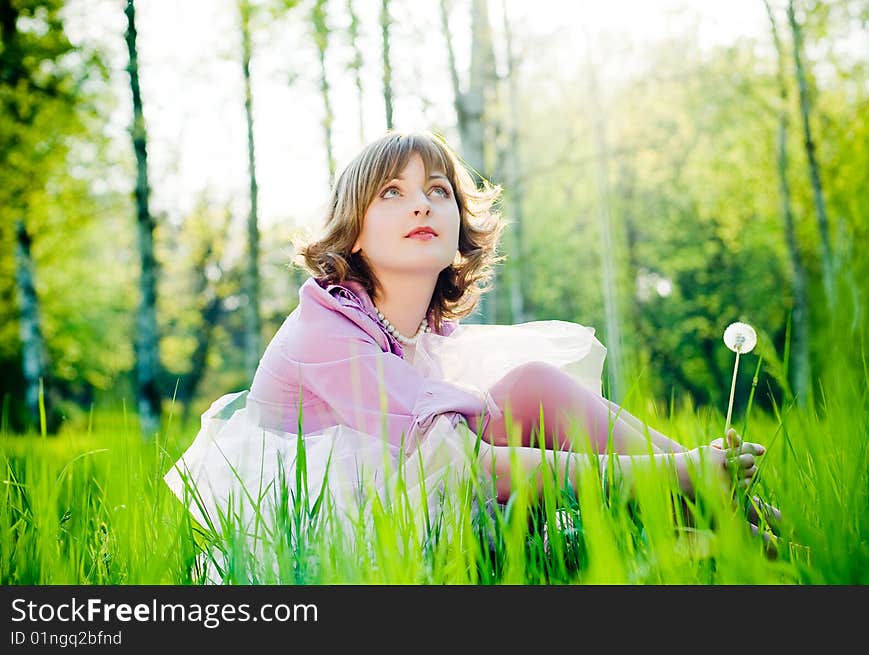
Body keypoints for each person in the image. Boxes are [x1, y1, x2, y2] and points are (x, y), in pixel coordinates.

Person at [165, 130, 779, 552]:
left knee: (532, 385)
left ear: (459, 224)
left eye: (438, 191)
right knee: (523, 475)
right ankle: (694, 485)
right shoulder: (322, 328)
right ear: (352, 233)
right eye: (392, 193)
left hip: (403, 493)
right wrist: (670, 471)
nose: (421, 205)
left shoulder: (417, 330)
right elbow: (471, 469)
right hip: (328, 538)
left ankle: (737, 514)